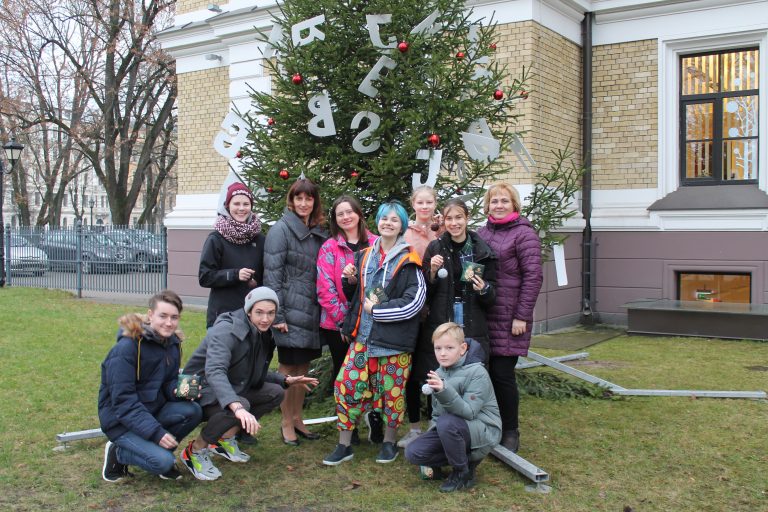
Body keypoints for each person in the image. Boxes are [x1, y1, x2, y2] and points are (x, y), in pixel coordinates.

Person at [323, 200, 426, 466]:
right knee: (345, 386)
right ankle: (344, 445)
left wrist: (379, 310)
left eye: (394, 219)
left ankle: (389, 443)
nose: (388, 223)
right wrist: (351, 281)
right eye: (384, 218)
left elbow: (414, 302)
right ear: (377, 222)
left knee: (392, 394)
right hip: (363, 338)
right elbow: (356, 297)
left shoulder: (410, 260)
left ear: (402, 225)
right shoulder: (364, 255)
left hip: (394, 343)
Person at [179, 287, 319, 480]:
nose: (265, 319)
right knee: (241, 405)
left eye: (271, 313)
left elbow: (253, 371)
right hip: (196, 391)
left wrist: (285, 380)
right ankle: (194, 451)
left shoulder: (261, 332)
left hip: (229, 386)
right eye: (259, 312)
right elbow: (215, 371)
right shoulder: (227, 330)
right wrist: (236, 407)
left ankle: (224, 440)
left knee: (276, 392)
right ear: (248, 310)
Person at [399, 198, 498, 449]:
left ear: (467, 218)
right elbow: (424, 293)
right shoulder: (435, 248)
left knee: (469, 376)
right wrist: (430, 273)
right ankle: (438, 429)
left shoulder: (481, 250)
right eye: (449, 218)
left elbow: (494, 295)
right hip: (441, 324)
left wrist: (484, 289)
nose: (454, 223)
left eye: (459, 218)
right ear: (443, 221)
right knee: (435, 375)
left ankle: (471, 430)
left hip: (471, 325)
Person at [99, 290, 202, 482]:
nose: (169, 323)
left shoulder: (172, 344)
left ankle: (152, 449)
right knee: (163, 462)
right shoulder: (126, 349)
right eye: (163, 316)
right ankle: (118, 452)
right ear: (150, 315)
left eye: (174, 317)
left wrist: (179, 390)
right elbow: (123, 402)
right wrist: (156, 433)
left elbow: (167, 382)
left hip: (150, 411)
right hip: (120, 421)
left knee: (193, 410)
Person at [477, 182, 543, 453]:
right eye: (494, 201)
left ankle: (510, 431)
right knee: (485, 375)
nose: (499, 205)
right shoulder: (481, 233)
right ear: (488, 205)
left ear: (514, 204)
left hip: (510, 317)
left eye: (504, 200)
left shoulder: (524, 235)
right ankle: (489, 425)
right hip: (484, 315)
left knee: (503, 375)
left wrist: (522, 317)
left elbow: (533, 277)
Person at [264, 178, 328, 445]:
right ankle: (286, 422)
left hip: (311, 312)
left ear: (314, 202)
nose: (303, 203)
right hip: (289, 313)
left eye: (308, 199)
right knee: (289, 370)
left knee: (304, 367)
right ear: (291, 200)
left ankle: (298, 418)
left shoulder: (317, 230)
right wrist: (276, 315)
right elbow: (272, 275)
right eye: (298, 198)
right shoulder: (281, 230)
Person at [404, 322, 501, 493]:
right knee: (414, 452)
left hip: (484, 430)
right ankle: (461, 461)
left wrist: (444, 390)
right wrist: (433, 438)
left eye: (449, 348)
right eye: (438, 348)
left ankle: (461, 472)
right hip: (453, 428)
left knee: (447, 423)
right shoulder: (438, 373)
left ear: (462, 348)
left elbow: (469, 413)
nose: (442, 353)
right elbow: (436, 415)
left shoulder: (477, 373)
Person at [316, 195, 378, 392]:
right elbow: (325, 289)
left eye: (349, 212)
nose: (345, 217)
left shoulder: (376, 243)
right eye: (340, 214)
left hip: (370, 319)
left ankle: (371, 415)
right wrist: (345, 322)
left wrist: (375, 311)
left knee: (371, 370)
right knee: (344, 371)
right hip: (338, 325)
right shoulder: (329, 247)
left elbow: (382, 282)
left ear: (358, 214)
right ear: (335, 219)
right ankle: (345, 418)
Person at [199, 181, 265, 329]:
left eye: (246, 204)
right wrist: (235, 275)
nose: (241, 208)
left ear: (251, 207)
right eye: (236, 204)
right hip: (223, 317)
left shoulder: (260, 239)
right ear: (228, 206)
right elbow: (205, 277)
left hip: (253, 317)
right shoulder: (216, 239)